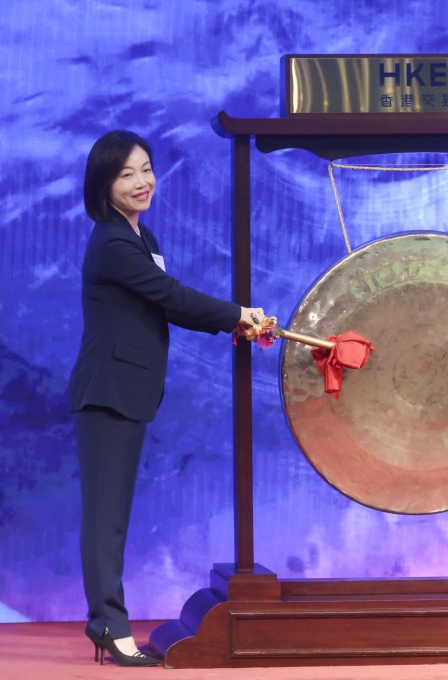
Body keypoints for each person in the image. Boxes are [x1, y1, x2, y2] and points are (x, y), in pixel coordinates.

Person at [68, 130, 265, 666]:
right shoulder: (111, 241)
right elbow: (169, 295)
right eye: (126, 173)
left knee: (114, 517)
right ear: (103, 185)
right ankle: (108, 625)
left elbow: (167, 305)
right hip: (107, 391)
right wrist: (235, 314)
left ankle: (107, 621)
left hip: (128, 391)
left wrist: (234, 322)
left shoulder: (141, 237)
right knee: (105, 520)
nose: (142, 181)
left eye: (147, 168)